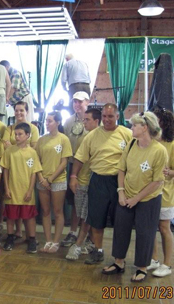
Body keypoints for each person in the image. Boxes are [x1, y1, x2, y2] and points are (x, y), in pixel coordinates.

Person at [102, 112, 167, 283]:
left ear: (144, 128)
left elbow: (157, 181)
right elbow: (121, 169)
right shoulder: (131, 144)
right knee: (120, 229)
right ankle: (119, 262)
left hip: (148, 199)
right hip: (126, 195)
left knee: (146, 233)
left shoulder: (159, 151)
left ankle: (142, 268)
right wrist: (121, 192)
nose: (131, 128)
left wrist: (136, 198)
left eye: (134, 126)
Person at [70, 103, 132, 264]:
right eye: (104, 116)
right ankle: (98, 251)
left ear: (117, 117)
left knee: (120, 221)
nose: (107, 119)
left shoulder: (127, 134)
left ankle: (119, 257)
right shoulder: (91, 136)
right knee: (97, 220)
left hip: (119, 182)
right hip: (97, 180)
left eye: (110, 116)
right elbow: (80, 158)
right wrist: (73, 176)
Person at [147, 109, 174, 277]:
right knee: (151, 228)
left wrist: (168, 172)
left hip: (166, 194)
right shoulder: (149, 143)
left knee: (164, 228)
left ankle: (167, 264)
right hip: (149, 193)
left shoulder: (172, 145)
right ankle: (154, 259)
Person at [1, 123, 43, 254]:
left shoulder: (32, 153)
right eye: (16, 134)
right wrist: (7, 188)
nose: (17, 137)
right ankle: (10, 237)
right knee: (11, 217)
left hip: (26, 191)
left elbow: (33, 173)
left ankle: (31, 239)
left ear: (28, 135)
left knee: (29, 217)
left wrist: (30, 190)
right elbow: (5, 171)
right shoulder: (9, 151)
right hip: (12, 190)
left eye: (20, 134)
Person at [66, 108, 101, 261]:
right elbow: (78, 159)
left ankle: (81, 244)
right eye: (84, 119)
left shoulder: (102, 137)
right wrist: (74, 176)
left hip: (97, 182)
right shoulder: (84, 137)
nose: (84, 122)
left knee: (89, 215)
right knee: (83, 214)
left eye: (87, 120)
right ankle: (88, 241)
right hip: (83, 180)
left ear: (96, 121)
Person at [36, 112, 72, 253]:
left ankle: (56, 241)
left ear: (57, 122)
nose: (47, 123)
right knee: (45, 211)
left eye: (50, 121)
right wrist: (41, 178)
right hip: (42, 180)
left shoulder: (64, 139)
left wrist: (51, 179)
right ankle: (48, 240)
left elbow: (64, 162)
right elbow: (37, 160)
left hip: (57, 180)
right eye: (46, 121)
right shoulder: (41, 140)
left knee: (57, 211)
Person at [62, 91, 90, 247]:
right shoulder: (68, 122)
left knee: (88, 203)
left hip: (90, 167)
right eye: (75, 102)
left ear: (87, 102)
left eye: (80, 102)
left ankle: (87, 235)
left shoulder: (93, 120)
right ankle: (73, 232)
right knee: (74, 202)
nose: (77, 105)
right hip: (73, 166)